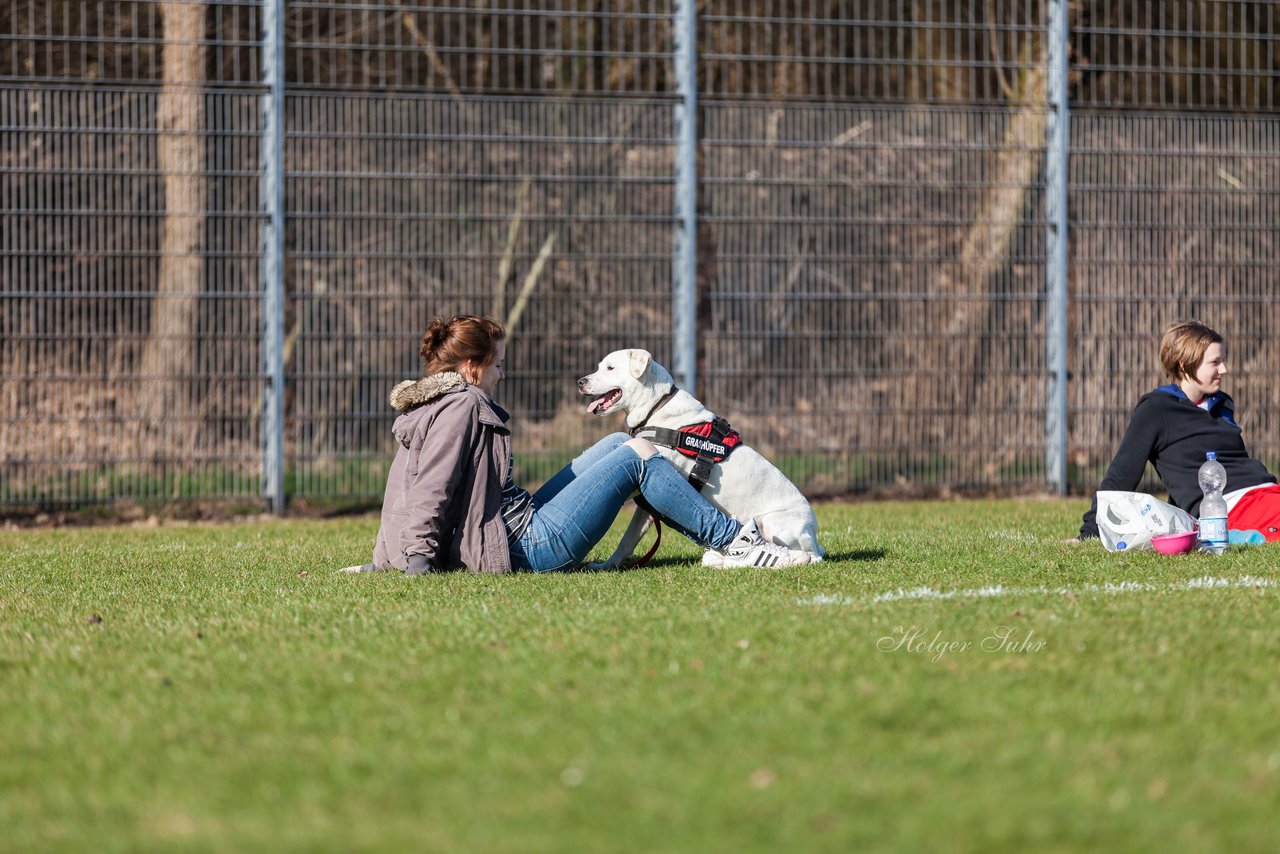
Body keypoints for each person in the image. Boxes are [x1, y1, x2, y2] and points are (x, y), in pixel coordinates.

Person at [342, 314, 816, 574]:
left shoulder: (433, 405)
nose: (503, 373)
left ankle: (731, 538)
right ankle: (737, 542)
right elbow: (430, 490)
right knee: (639, 455)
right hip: (524, 546)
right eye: (498, 364)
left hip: (514, 525)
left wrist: (383, 558)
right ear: (472, 369)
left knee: (617, 442)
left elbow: (401, 491)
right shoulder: (463, 406)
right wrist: (416, 561)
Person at [1079, 319, 1280, 543]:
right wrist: (1089, 532)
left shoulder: (1223, 404)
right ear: (1185, 365)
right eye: (1215, 362)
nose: (1224, 369)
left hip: (1268, 494)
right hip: (1231, 506)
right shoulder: (1157, 408)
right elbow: (1121, 474)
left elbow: (1192, 469)